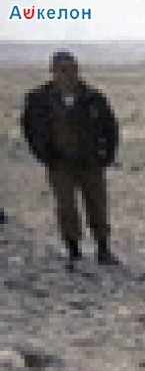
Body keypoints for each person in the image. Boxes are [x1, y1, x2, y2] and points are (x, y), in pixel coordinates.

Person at [20, 50, 119, 269]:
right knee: (66, 207)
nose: (67, 75)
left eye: (71, 69)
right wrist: (43, 154)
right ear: (53, 71)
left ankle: (103, 249)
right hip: (59, 163)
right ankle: (74, 251)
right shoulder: (39, 99)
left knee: (97, 204)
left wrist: (106, 155)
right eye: (61, 70)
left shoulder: (94, 97)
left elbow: (110, 127)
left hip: (90, 162)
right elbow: (29, 128)